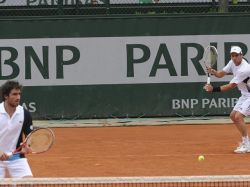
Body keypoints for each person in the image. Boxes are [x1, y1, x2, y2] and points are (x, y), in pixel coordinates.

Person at [204, 46, 250, 153]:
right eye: (232, 55)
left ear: (241, 55)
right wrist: (214, 72)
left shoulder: (245, 69)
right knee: (233, 116)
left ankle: (247, 144)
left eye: (236, 55)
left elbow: (230, 86)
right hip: (245, 95)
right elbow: (220, 74)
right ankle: (246, 141)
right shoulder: (231, 63)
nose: (234, 58)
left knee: (238, 116)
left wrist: (213, 89)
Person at [0, 80, 33, 178]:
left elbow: (29, 135)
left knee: (28, 183)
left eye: (19, 94)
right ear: (6, 96)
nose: (18, 97)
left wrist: (27, 145)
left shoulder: (24, 113)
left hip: (16, 158)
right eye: (14, 94)